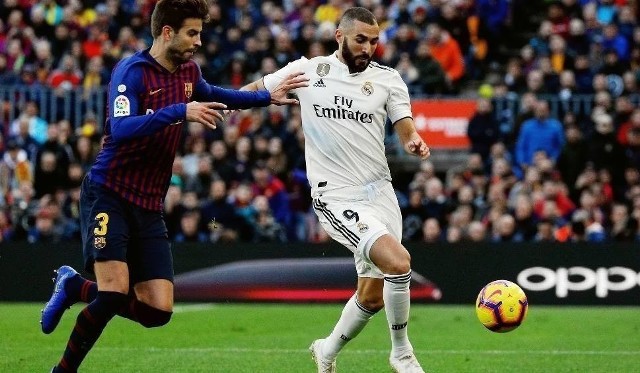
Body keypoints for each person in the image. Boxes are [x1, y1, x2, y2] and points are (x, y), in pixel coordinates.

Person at [40, 1, 307, 372]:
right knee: (115, 292)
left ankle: (74, 287)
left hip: (149, 205)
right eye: (192, 32)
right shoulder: (131, 72)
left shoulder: (188, 72)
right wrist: (180, 111)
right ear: (168, 32)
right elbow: (121, 129)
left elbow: (217, 93)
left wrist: (265, 98)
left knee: (157, 311)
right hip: (109, 193)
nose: (198, 40)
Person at [242, 7, 430, 373]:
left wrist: (413, 142)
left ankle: (325, 352)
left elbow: (405, 125)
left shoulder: (389, 79)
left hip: (380, 193)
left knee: (372, 296)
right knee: (399, 262)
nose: (368, 47)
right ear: (339, 36)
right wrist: (221, 105)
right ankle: (402, 353)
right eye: (361, 39)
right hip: (336, 196)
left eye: (374, 41)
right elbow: (257, 88)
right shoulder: (308, 71)